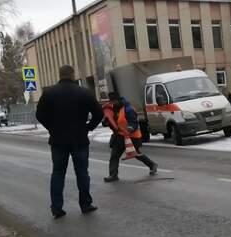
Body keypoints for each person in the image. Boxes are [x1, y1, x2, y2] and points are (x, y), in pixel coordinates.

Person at [36, 65, 103, 219]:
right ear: (73, 75)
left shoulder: (49, 93)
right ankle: (85, 204)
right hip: (79, 139)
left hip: (58, 140)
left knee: (58, 173)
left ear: (60, 75)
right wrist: (88, 128)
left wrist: (51, 128)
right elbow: (99, 113)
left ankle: (57, 208)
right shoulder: (84, 92)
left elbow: (39, 114)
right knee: (82, 173)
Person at [103, 91, 158, 182]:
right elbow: (110, 120)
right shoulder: (112, 109)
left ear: (118, 100)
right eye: (111, 102)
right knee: (114, 155)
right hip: (119, 136)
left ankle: (152, 165)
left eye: (113, 101)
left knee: (136, 154)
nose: (112, 103)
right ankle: (113, 175)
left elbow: (134, 122)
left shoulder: (128, 109)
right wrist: (106, 122)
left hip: (132, 136)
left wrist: (130, 128)